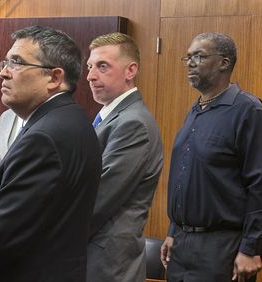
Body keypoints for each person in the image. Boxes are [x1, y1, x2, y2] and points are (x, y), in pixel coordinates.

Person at [0, 25, 102, 282]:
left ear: (54, 77)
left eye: (16, 63)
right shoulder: (69, 119)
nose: (3, 73)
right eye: (5, 62)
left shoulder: (45, 137)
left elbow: (4, 231)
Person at [160, 32, 262, 282]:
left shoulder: (248, 110)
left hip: (221, 247)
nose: (190, 63)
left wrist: (250, 249)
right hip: (181, 245)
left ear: (224, 62)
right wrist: (174, 230)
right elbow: (186, 176)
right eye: (188, 57)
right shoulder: (195, 110)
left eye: (199, 56)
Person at [85, 32, 163, 282]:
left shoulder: (134, 124)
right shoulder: (109, 117)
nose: (90, 75)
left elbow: (99, 198)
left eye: (102, 66)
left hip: (107, 264)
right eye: (90, 66)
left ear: (130, 71)